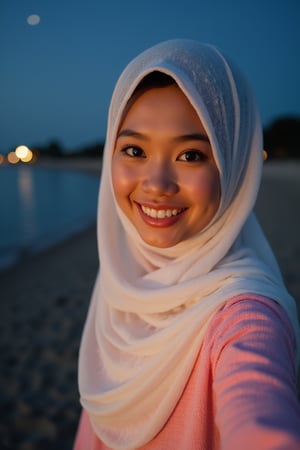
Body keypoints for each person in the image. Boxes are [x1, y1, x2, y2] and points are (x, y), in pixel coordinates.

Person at [73, 39, 300, 449]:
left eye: (191, 155)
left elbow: (258, 414)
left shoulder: (245, 315)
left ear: (233, 165)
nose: (157, 185)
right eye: (135, 150)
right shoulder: (123, 280)